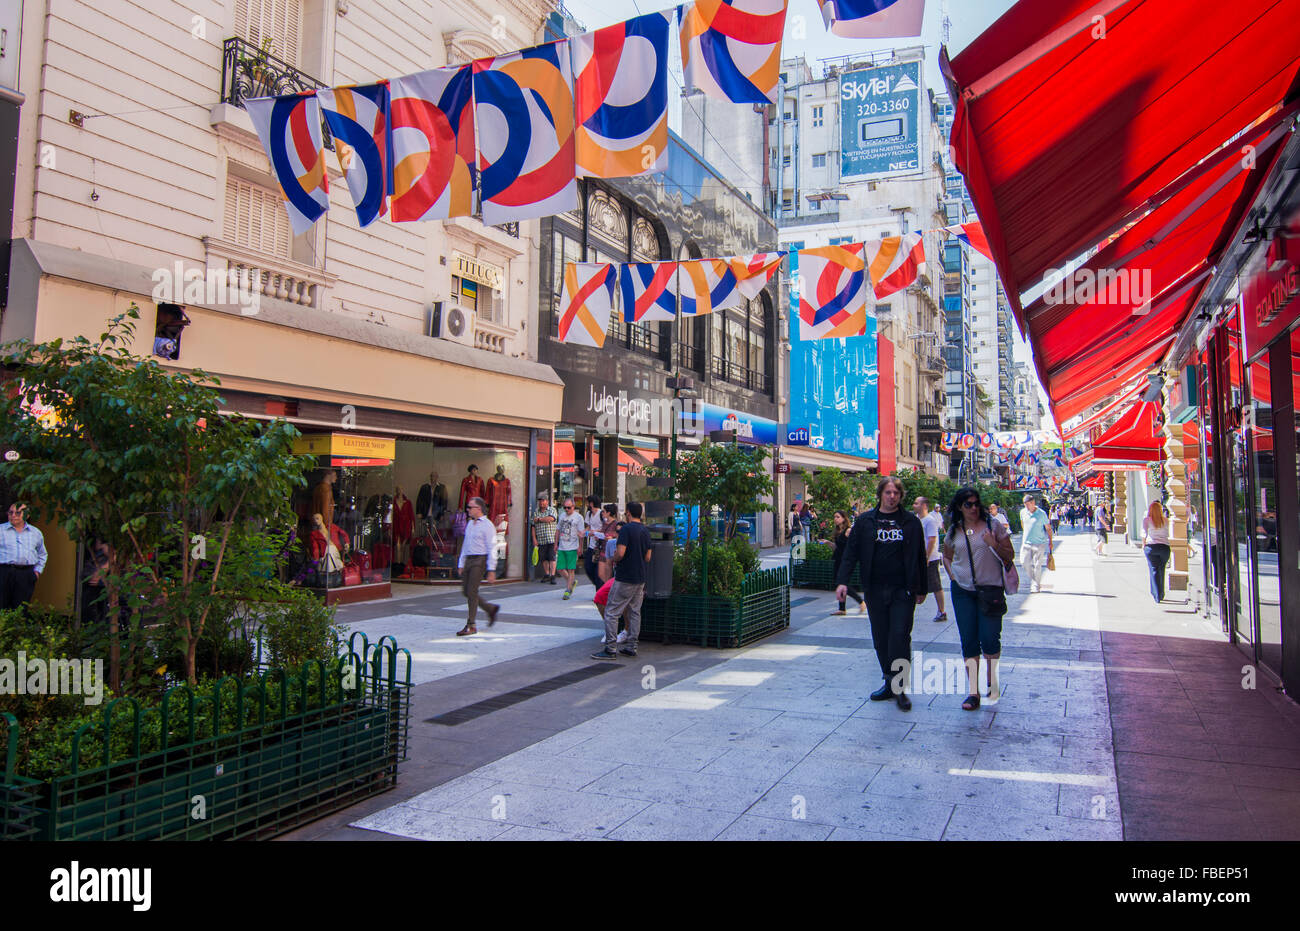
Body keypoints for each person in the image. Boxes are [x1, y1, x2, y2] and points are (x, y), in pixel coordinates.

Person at [835, 476, 928, 710]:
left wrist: (922, 588)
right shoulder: (866, 522)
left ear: (901, 495)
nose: (892, 496)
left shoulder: (910, 522)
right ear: (880, 495)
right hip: (875, 590)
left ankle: (900, 687)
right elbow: (851, 554)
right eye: (888, 492)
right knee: (881, 639)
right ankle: (889, 681)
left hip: (902, 590)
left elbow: (919, 557)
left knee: (900, 636)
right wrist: (842, 582)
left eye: (896, 492)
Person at [943, 487, 1016, 710]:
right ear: (959, 507)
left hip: (990, 591)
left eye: (976, 503)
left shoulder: (992, 525)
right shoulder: (955, 530)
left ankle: (990, 678)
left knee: (990, 638)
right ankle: (973, 692)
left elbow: (1009, 555)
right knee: (969, 641)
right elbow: (946, 556)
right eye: (968, 504)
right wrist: (952, 575)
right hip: (963, 592)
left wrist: (993, 544)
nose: (974, 508)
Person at [591, 501, 653, 660]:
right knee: (634, 612)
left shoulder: (626, 529)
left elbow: (620, 552)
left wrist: (613, 558)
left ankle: (610, 649)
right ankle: (632, 646)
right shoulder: (645, 531)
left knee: (611, 612)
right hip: (640, 577)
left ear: (629, 513)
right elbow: (648, 556)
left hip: (625, 576)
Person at [455, 497, 500, 636]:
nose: (467, 510)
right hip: (469, 559)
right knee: (466, 591)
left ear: (478, 509)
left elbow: (492, 547)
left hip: (479, 560)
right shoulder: (469, 524)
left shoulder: (487, 525)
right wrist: (461, 563)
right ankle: (490, 609)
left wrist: (491, 570)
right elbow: (465, 544)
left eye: (470, 507)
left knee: (472, 592)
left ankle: (471, 624)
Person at [0, 503, 48, 611]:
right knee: (2, 607)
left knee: (21, 609)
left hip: (25, 574)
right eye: (10, 512)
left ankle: (19, 628)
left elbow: (42, 554)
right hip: (4, 572)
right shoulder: (1, 530)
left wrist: (37, 572)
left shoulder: (35, 533)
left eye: (18, 513)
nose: (13, 515)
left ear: (27, 515)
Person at [914, 496, 947, 623]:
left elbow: (932, 539)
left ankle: (942, 611)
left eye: (917, 503)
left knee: (935, 585)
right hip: (918, 558)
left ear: (924, 506)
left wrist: (926, 556)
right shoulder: (917, 520)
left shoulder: (930, 520)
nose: (914, 505)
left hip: (930, 558)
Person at [830, 510, 865, 616]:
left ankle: (861, 601)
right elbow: (837, 547)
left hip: (845, 560)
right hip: (838, 559)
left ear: (844, 518)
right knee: (839, 582)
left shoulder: (848, 530)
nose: (835, 519)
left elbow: (854, 546)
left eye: (838, 517)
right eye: (834, 517)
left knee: (842, 583)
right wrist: (828, 543)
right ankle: (842, 608)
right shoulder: (837, 531)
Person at [1018, 494, 1053, 593]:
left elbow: (1048, 528)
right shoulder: (1023, 512)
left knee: (1037, 565)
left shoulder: (1041, 514)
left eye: (1028, 505)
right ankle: (1035, 580)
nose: (1026, 507)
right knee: (1024, 563)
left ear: (1033, 503)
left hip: (1039, 543)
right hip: (1026, 543)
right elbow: (1023, 524)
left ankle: (1036, 585)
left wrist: (1050, 541)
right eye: (1025, 505)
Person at [555, 496, 586, 599]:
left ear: (573, 507)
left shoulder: (578, 517)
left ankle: (568, 590)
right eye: (565, 507)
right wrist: (556, 543)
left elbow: (581, 533)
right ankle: (571, 581)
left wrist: (580, 547)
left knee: (571, 568)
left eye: (569, 507)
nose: (567, 510)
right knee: (560, 568)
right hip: (562, 545)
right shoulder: (562, 515)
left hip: (573, 546)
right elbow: (558, 530)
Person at [1143, 501, 1172, 602]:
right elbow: (1168, 533)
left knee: (1154, 569)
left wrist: (1144, 545)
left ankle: (1156, 594)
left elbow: (1144, 533)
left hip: (1151, 547)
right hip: (1164, 547)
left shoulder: (1147, 520)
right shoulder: (1166, 520)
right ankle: (1161, 593)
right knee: (1161, 569)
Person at [531, 494, 558, 583]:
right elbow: (533, 526)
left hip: (551, 538)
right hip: (541, 539)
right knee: (543, 558)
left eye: (543, 500)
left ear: (547, 501)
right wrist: (534, 539)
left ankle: (553, 575)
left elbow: (551, 519)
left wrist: (539, 519)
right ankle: (547, 574)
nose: (541, 502)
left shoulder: (552, 510)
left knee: (552, 557)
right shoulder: (536, 512)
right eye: (540, 500)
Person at [582, 495, 605, 588]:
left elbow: (605, 528)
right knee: (588, 566)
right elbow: (588, 527)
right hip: (591, 545)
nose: (587, 504)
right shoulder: (588, 514)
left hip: (599, 545)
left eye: (588, 502)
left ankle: (599, 589)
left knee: (597, 569)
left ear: (591, 503)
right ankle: (597, 585)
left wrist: (594, 532)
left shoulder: (601, 514)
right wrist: (584, 532)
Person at [597, 504, 619, 583]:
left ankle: (608, 590)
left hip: (610, 551)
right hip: (602, 549)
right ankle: (607, 588)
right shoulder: (604, 523)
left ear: (608, 513)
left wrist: (610, 537)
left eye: (604, 511)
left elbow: (617, 536)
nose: (602, 513)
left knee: (609, 574)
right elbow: (602, 532)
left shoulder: (616, 524)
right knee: (601, 574)